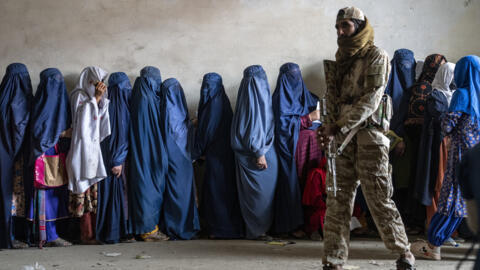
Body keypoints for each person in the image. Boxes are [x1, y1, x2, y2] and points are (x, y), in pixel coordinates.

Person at [317, 7, 415, 269]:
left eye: (345, 26)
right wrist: (328, 128)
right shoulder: (340, 60)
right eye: (337, 27)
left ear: (359, 26)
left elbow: (371, 100)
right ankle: (333, 260)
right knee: (337, 199)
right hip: (341, 139)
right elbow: (332, 99)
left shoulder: (376, 55)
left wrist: (338, 126)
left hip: (369, 136)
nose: (340, 32)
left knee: (378, 196)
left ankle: (403, 252)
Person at [412, 55, 480, 260]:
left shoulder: (462, 94)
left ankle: (433, 244)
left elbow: (447, 126)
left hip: (460, 155)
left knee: (450, 197)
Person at [192, 72, 244, 239]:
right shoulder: (221, 100)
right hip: (223, 153)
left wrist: (196, 152)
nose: (207, 89)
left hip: (217, 155)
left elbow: (207, 132)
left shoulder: (213, 105)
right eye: (205, 85)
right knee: (222, 191)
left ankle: (222, 229)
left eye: (209, 85)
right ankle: (220, 227)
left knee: (217, 192)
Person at [24, 68, 72, 248]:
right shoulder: (41, 105)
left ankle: (50, 233)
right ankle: (47, 235)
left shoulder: (50, 101)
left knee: (55, 196)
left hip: (55, 154)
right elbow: (40, 131)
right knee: (45, 197)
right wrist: (60, 134)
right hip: (43, 156)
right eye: (53, 81)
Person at [271, 62, 319, 237]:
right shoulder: (278, 100)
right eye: (291, 76)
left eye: (297, 75)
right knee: (292, 185)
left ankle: (311, 224)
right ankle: (292, 225)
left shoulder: (309, 97)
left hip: (311, 151)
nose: (295, 79)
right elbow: (282, 127)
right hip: (290, 151)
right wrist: (308, 118)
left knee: (310, 184)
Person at [231, 65, 278, 240]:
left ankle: (258, 229)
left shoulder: (246, 95)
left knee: (254, 195)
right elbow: (255, 126)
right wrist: (260, 152)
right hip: (257, 154)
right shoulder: (255, 98)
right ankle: (258, 231)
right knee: (258, 196)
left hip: (254, 152)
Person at [401, 54, 447, 234]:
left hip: (429, 141)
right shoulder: (423, 88)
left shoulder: (442, 90)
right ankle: (418, 221)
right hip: (422, 142)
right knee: (423, 179)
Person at [67, 66, 110, 244]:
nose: (97, 87)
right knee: (82, 192)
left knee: (91, 195)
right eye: (94, 83)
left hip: (92, 151)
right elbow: (82, 123)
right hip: (80, 150)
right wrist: (96, 99)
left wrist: (101, 101)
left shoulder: (92, 98)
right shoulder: (79, 95)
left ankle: (93, 233)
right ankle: (86, 234)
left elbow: (101, 124)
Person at [128, 66, 169, 241]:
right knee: (148, 188)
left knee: (147, 187)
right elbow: (148, 131)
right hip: (147, 153)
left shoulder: (144, 95)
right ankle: (149, 230)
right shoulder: (145, 99)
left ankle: (147, 227)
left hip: (146, 152)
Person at [414, 63, 456, 228]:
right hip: (437, 146)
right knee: (436, 183)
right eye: (451, 76)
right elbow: (440, 119)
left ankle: (447, 229)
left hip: (449, 144)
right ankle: (434, 225)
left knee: (447, 185)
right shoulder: (435, 96)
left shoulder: (453, 95)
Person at [160, 78, 200, 240]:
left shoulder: (164, 109)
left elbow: (180, 127)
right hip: (179, 157)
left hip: (178, 157)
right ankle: (180, 227)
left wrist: (191, 123)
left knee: (178, 193)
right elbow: (177, 131)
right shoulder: (171, 111)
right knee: (180, 194)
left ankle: (180, 226)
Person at [96, 72, 131, 244]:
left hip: (105, 156)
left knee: (108, 196)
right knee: (116, 197)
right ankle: (113, 233)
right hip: (115, 159)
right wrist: (118, 160)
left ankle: (108, 231)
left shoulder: (106, 102)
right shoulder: (120, 106)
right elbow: (121, 134)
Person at [0, 63, 32, 249]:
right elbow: (19, 128)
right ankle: (11, 237)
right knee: (11, 196)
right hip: (13, 154)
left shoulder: (2, 93)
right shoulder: (20, 98)